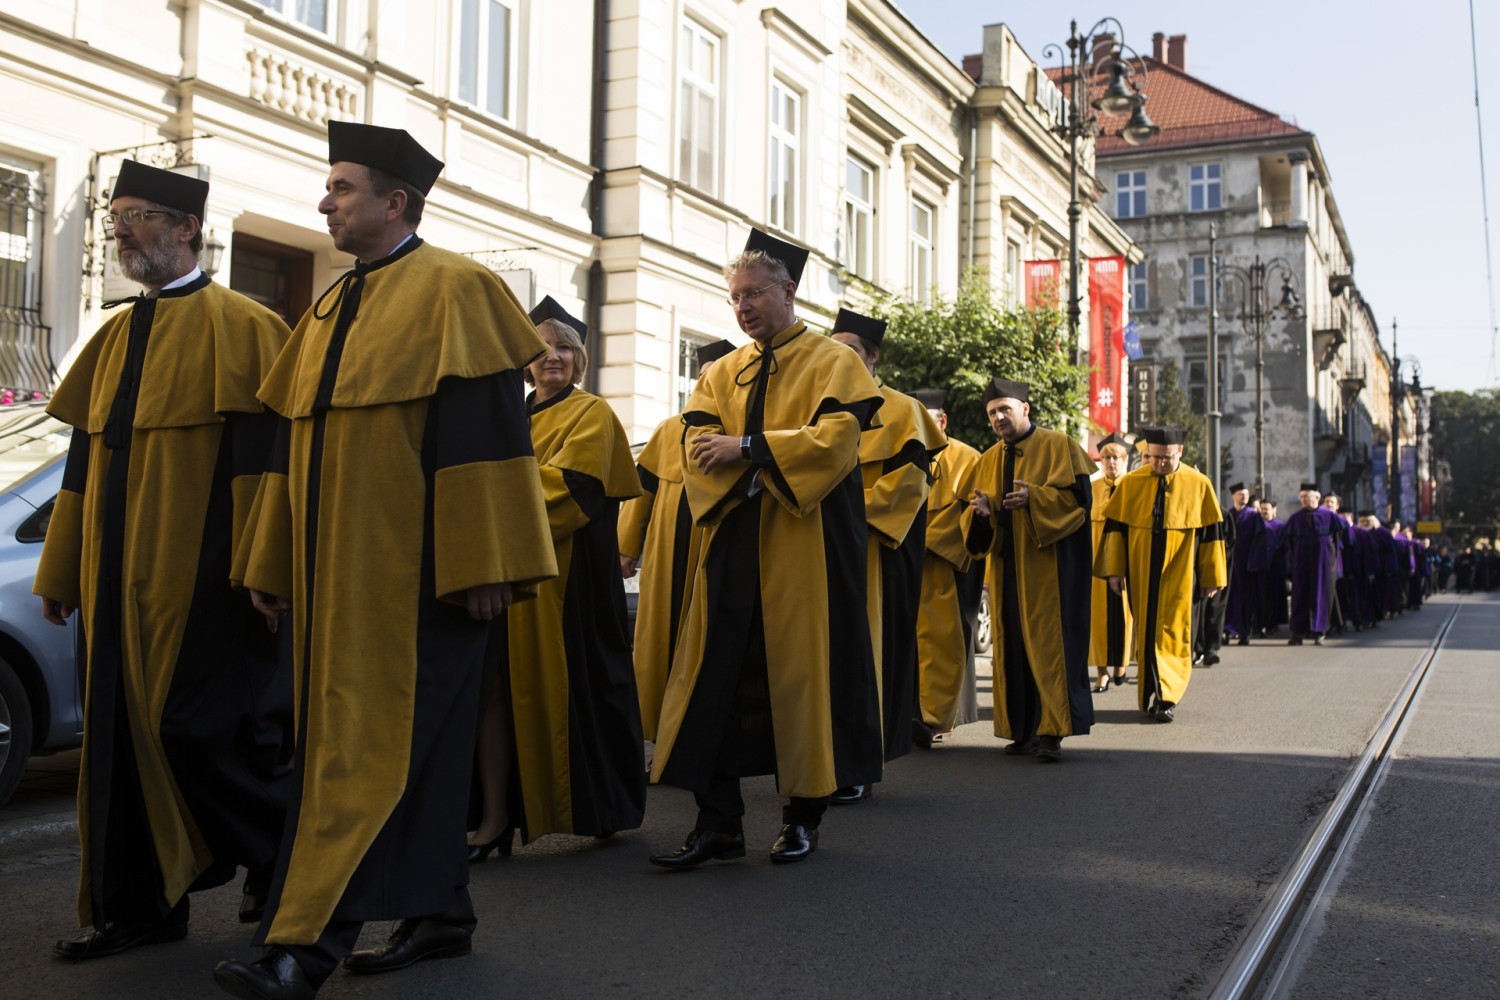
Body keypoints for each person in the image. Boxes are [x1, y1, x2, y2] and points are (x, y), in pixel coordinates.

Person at [214, 122, 558, 999]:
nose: (323, 202)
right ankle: (442, 914)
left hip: (422, 582)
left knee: (362, 766)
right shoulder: (328, 306)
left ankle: (302, 947)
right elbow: (295, 451)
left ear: (395, 201)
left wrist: (487, 562)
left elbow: (488, 439)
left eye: (340, 188)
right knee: (414, 759)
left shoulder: (459, 289)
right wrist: (271, 560)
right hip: (333, 588)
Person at [35, 160, 292, 961]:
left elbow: (264, 465)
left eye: (140, 215)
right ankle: (139, 909)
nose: (122, 230)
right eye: (116, 217)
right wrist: (61, 571)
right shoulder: (111, 335)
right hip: (115, 581)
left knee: (197, 733)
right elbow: (83, 464)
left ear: (187, 227)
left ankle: (284, 857)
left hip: (209, 579)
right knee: (112, 745)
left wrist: (264, 567)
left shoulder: (246, 327)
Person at [647, 229, 883, 867]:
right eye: (734, 298)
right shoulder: (722, 372)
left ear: (789, 291)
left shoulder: (835, 362)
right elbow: (694, 446)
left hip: (807, 544)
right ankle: (718, 822)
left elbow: (836, 440)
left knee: (805, 676)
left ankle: (803, 816)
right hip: (732, 543)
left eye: (754, 294)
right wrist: (743, 461)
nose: (743, 307)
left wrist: (749, 452)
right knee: (713, 678)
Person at [467, 297, 646, 862]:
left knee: (584, 693)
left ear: (580, 358)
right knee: (492, 692)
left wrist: (488, 497)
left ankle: (601, 807)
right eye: (543, 346)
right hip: (500, 571)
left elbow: (573, 492)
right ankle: (494, 816)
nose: (554, 355)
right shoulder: (506, 415)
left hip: (572, 587)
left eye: (565, 346)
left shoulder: (591, 414)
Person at [829, 308, 944, 800]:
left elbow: (907, 487)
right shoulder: (817, 408)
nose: (840, 359)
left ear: (872, 357)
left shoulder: (903, 411)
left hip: (874, 551)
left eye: (850, 350)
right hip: (819, 550)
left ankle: (858, 765)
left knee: (868, 657)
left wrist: (842, 519)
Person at [962, 378, 1095, 762]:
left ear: (1025, 409)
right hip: (1006, 569)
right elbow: (973, 521)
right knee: (1013, 647)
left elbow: (1079, 504)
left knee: (1048, 646)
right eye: (992, 413)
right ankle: (1021, 730)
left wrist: (1034, 498)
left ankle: (1051, 731)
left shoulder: (1059, 446)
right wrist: (983, 516)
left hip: (1048, 570)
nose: (999, 417)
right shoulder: (987, 460)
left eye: (1005, 409)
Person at [619, 339, 736, 743]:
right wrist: (626, 548)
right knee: (657, 647)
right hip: (668, 556)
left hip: (716, 552)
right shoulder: (669, 430)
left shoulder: (741, 433)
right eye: (705, 377)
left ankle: (704, 741)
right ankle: (655, 734)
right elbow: (643, 490)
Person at [1094, 427, 1226, 723]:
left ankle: (1167, 696)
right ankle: (1151, 692)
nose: (1159, 463)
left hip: (1180, 570)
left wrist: (1211, 577)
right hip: (1141, 569)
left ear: (1180, 453)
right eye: (1153, 458)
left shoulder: (1199, 484)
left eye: (1166, 458)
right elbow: (1116, 530)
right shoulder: (1132, 483)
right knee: (1146, 630)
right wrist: (1114, 571)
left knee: (1174, 631)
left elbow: (1212, 535)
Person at [911, 389, 983, 743]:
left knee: (944, 639)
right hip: (907, 561)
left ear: (942, 421)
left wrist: (922, 544)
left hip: (946, 562)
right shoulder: (903, 451)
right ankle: (917, 712)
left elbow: (971, 513)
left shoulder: (968, 458)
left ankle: (937, 716)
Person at [1088, 434, 1133, 691]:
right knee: (1098, 617)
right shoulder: (1093, 489)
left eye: (1115, 457)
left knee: (1124, 613)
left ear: (1124, 460)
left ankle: (1121, 665)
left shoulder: (1133, 487)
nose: (1110, 462)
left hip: (1125, 558)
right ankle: (1102, 672)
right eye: (1105, 457)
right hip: (1096, 559)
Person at [1285, 483, 1345, 646]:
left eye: (1307, 496)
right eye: (1302, 497)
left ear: (1317, 497)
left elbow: (1338, 540)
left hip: (1323, 564)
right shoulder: (1295, 518)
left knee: (1320, 596)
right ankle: (1297, 633)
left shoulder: (1330, 517)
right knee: (1299, 597)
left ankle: (1319, 631)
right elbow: (1289, 542)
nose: (1304, 500)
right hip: (1301, 563)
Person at [1223, 483, 1263, 645]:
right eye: (1240, 494)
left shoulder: (1254, 516)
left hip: (1247, 563)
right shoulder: (1228, 514)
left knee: (1246, 599)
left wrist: (1254, 561)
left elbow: (1259, 540)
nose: (1244, 497)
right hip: (1230, 562)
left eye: (1246, 495)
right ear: (1233, 496)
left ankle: (1244, 632)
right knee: (1229, 598)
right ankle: (1227, 630)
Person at [1250, 499, 1288, 635]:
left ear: (1274, 511)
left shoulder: (1281, 526)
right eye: (1262, 509)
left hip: (1274, 567)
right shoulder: (1255, 524)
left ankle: (1272, 623)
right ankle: (1258, 624)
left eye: (1267, 509)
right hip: (1259, 567)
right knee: (1259, 597)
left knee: (1273, 596)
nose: (1264, 512)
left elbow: (1285, 545)